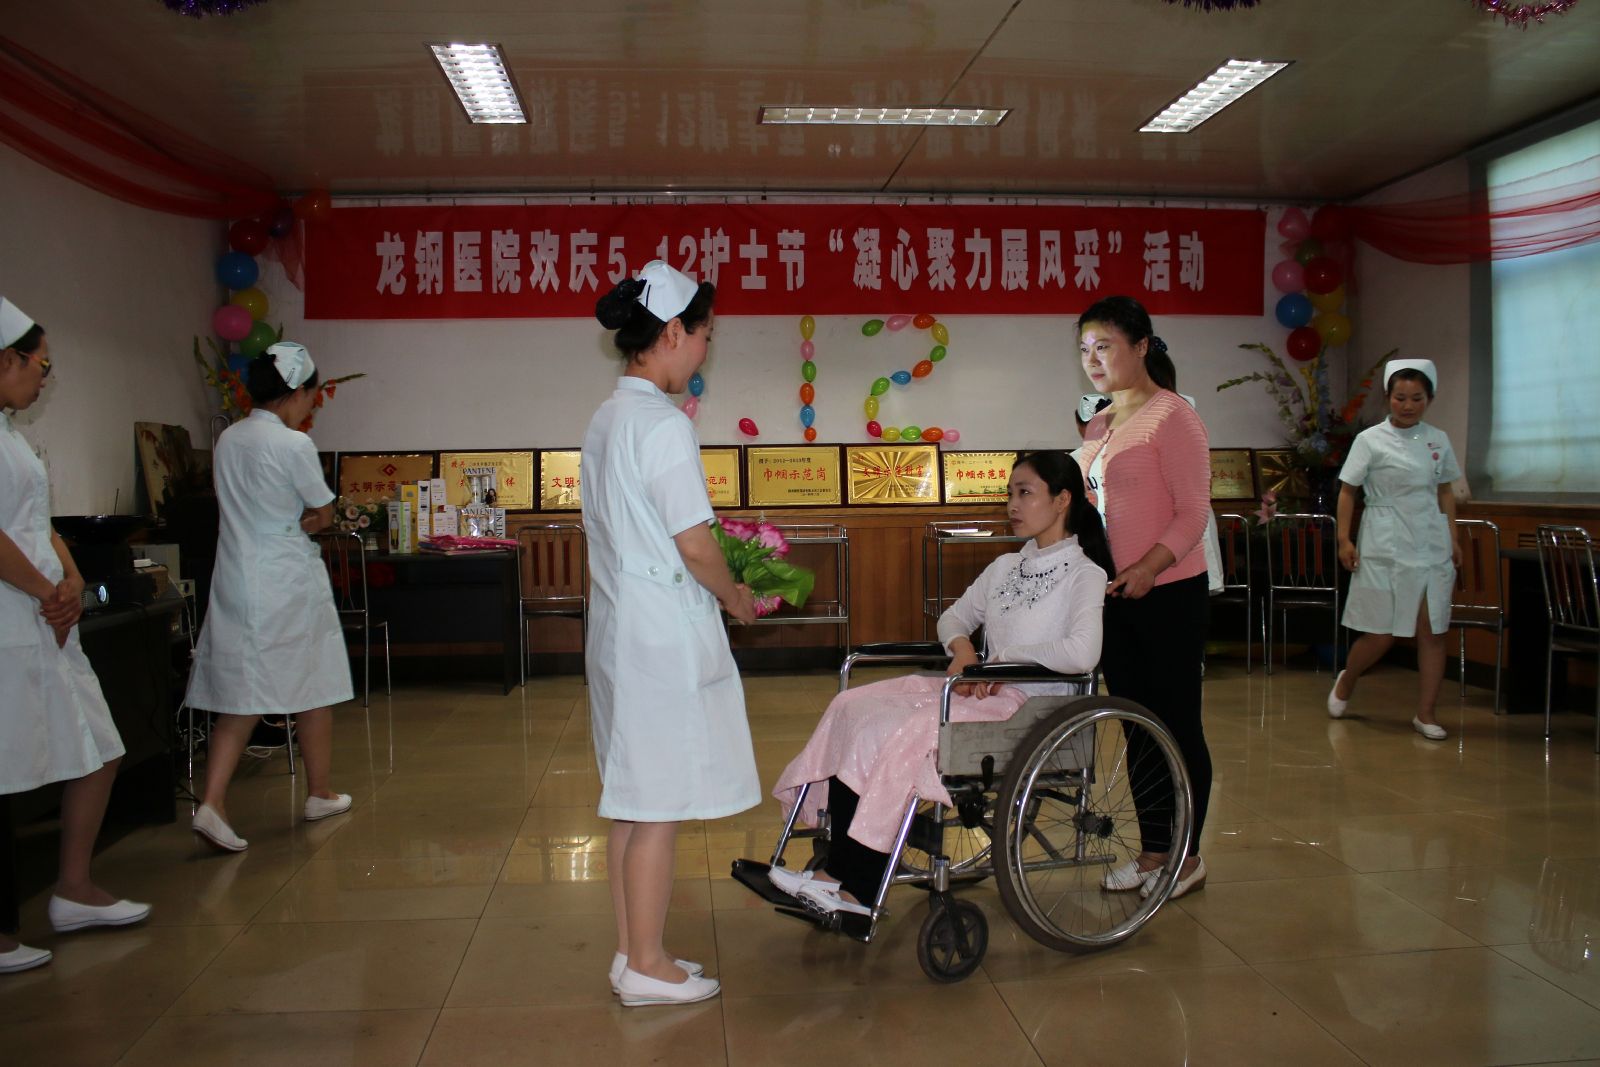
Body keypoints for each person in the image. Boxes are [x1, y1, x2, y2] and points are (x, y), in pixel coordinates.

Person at [768, 451, 1112, 915]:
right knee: (858, 707)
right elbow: (953, 617)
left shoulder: (1086, 574)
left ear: (1062, 500)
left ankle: (860, 886)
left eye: (1025, 493)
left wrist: (1002, 660)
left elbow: (1082, 653)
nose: (1012, 503)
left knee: (905, 730)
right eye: (1009, 493)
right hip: (979, 685)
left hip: (1029, 705)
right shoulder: (1005, 568)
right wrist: (965, 650)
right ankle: (836, 869)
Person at [584, 260, 758, 1007]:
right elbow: (694, 543)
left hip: (622, 626)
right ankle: (648, 963)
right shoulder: (660, 426)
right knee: (654, 805)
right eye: (705, 336)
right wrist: (736, 598)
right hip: (658, 631)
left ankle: (634, 954)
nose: (706, 351)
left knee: (631, 796)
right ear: (675, 333)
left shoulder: (606, 417)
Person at [0, 298, 150, 975]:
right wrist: (43, 591)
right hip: (12, 619)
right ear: (6, 360)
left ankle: (74, 887)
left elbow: (40, 521)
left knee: (99, 746)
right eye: (40, 364)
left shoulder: (12, 435)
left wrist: (69, 577)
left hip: (47, 619)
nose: (43, 377)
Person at [185, 341, 354, 853]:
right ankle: (318, 792)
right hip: (284, 578)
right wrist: (307, 520)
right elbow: (323, 511)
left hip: (236, 572)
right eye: (310, 395)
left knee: (242, 689)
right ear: (295, 392)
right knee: (312, 680)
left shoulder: (229, 439)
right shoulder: (292, 445)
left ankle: (213, 800)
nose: (310, 405)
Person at [1075, 295, 1213, 900]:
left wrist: (1149, 568)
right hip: (1115, 593)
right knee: (1135, 728)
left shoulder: (1174, 415)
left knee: (1176, 725)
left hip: (1169, 592)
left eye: (1104, 346)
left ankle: (1186, 856)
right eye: (1084, 349)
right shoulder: (1101, 423)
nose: (1093, 360)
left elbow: (1192, 513)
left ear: (1141, 347)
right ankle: (1154, 850)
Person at [1328, 359, 1462, 740]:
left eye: (1416, 398)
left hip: (1431, 543)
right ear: (1388, 397)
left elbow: (1446, 490)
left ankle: (1426, 713)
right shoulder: (1370, 440)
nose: (1407, 405)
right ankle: (1348, 679)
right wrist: (1344, 539)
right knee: (1381, 633)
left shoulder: (1438, 439)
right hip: (1384, 540)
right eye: (1400, 397)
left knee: (1432, 629)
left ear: (1429, 399)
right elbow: (1348, 491)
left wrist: (1452, 536)